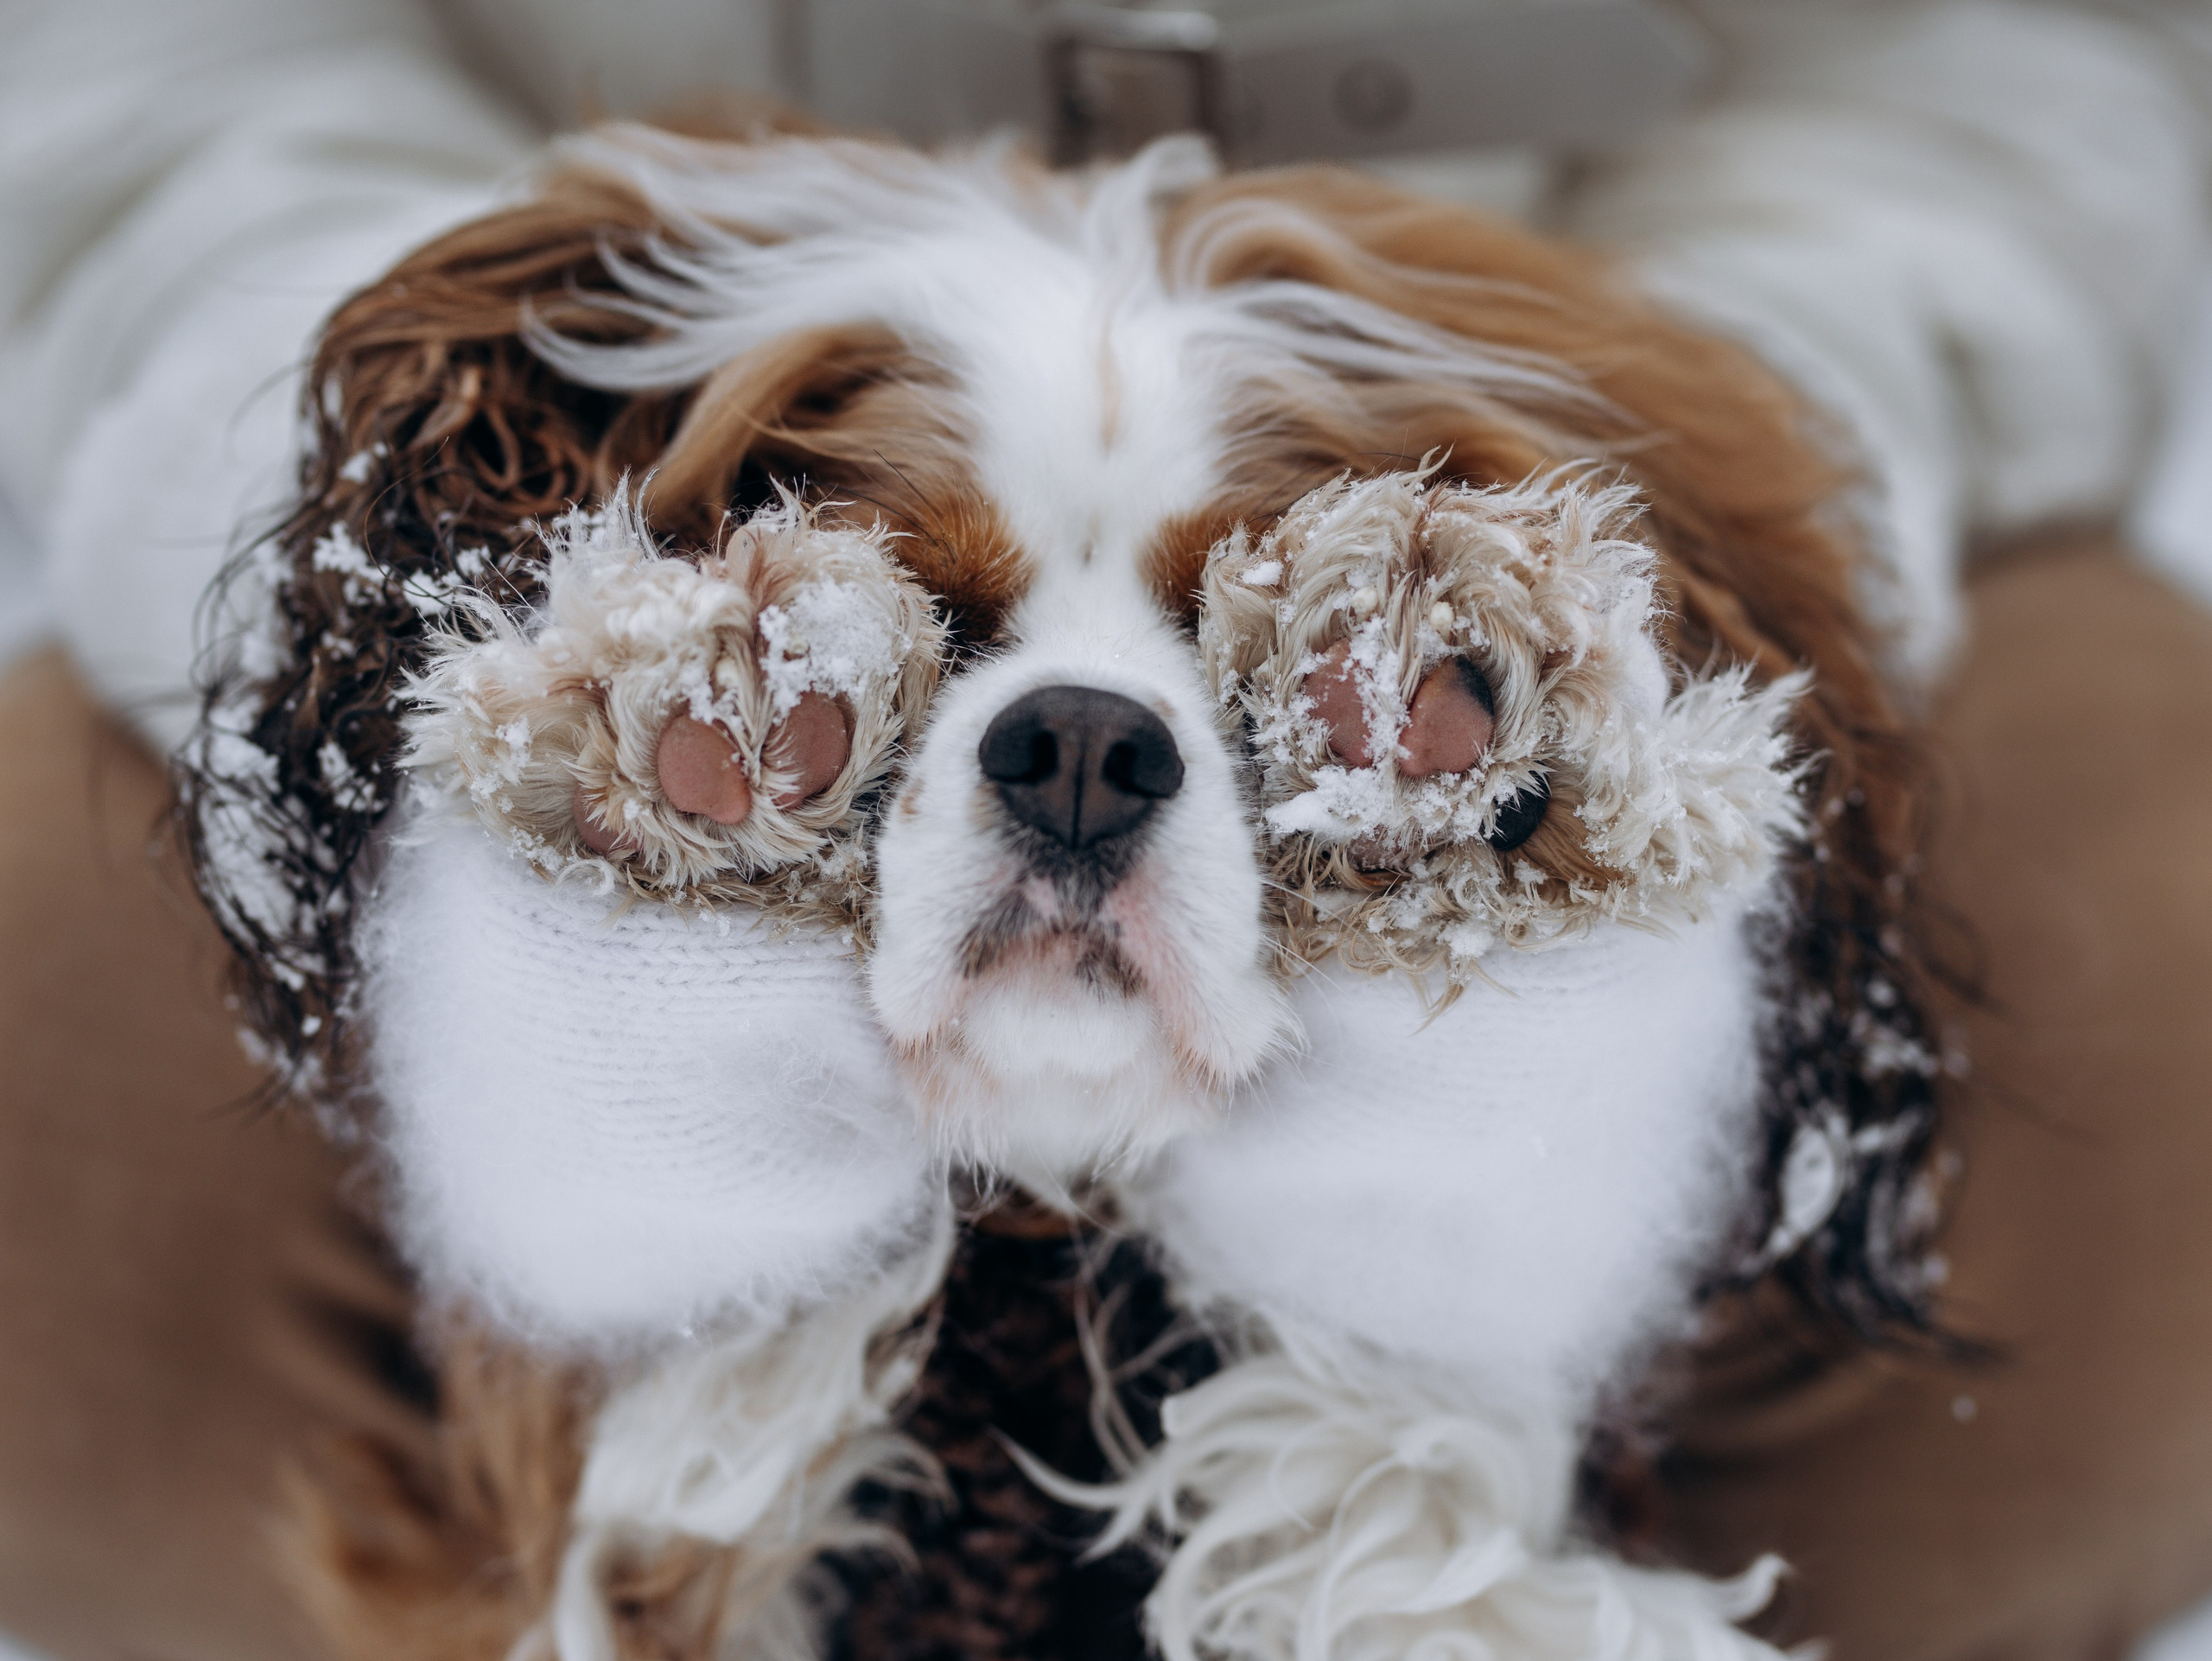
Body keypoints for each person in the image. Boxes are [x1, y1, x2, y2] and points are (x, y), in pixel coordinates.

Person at [3, 3, 2211, 1658]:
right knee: (74, 1209)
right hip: (589, 376)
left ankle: (1485, 1368)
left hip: (1602, 361)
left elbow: (2006, 59)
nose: (1083, 745)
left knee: (2127, 1102)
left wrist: (1614, 520)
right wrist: (444, 564)